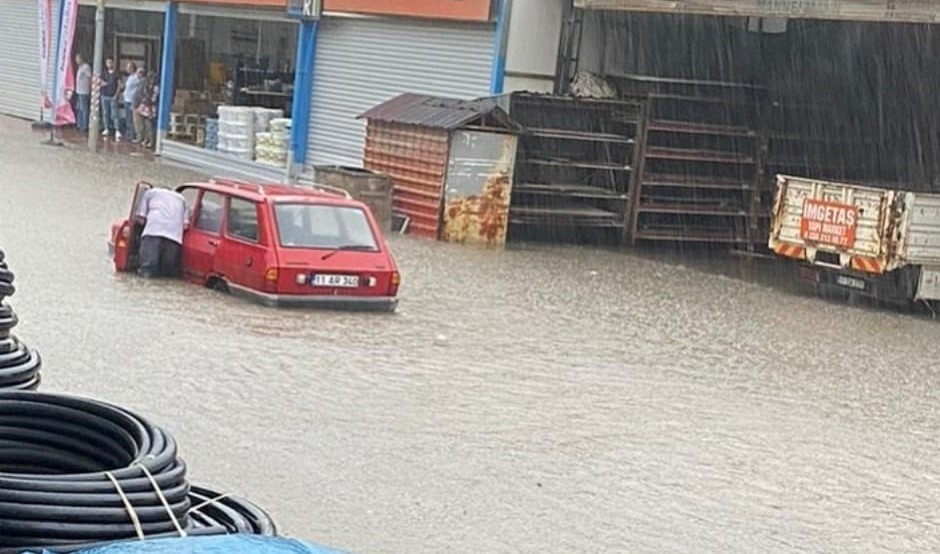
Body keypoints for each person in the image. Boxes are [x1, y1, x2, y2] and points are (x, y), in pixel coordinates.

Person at [135, 187, 189, 278]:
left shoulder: (150, 193)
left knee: (147, 269)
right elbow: (186, 225)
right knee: (167, 273)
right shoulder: (182, 199)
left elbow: (141, 218)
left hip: (153, 232)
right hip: (174, 238)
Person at [99, 58, 120, 137]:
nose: (109, 64)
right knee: (105, 113)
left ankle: (117, 129)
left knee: (114, 114)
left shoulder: (116, 73)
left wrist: (116, 95)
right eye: (107, 63)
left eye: (110, 62)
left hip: (112, 96)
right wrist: (103, 83)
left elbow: (119, 84)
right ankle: (106, 128)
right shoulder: (104, 73)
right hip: (104, 95)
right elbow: (100, 82)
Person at [120, 62, 141, 142]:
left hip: (131, 100)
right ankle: (128, 133)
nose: (127, 69)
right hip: (126, 99)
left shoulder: (136, 77)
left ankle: (132, 134)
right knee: (128, 118)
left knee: (132, 118)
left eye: (129, 67)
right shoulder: (130, 77)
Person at [74, 54, 92, 132]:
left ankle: (84, 126)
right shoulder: (80, 67)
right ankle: (79, 124)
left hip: (84, 91)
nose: (76, 60)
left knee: (84, 109)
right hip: (79, 90)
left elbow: (89, 78)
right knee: (79, 108)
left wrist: (90, 88)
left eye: (78, 58)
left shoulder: (86, 67)